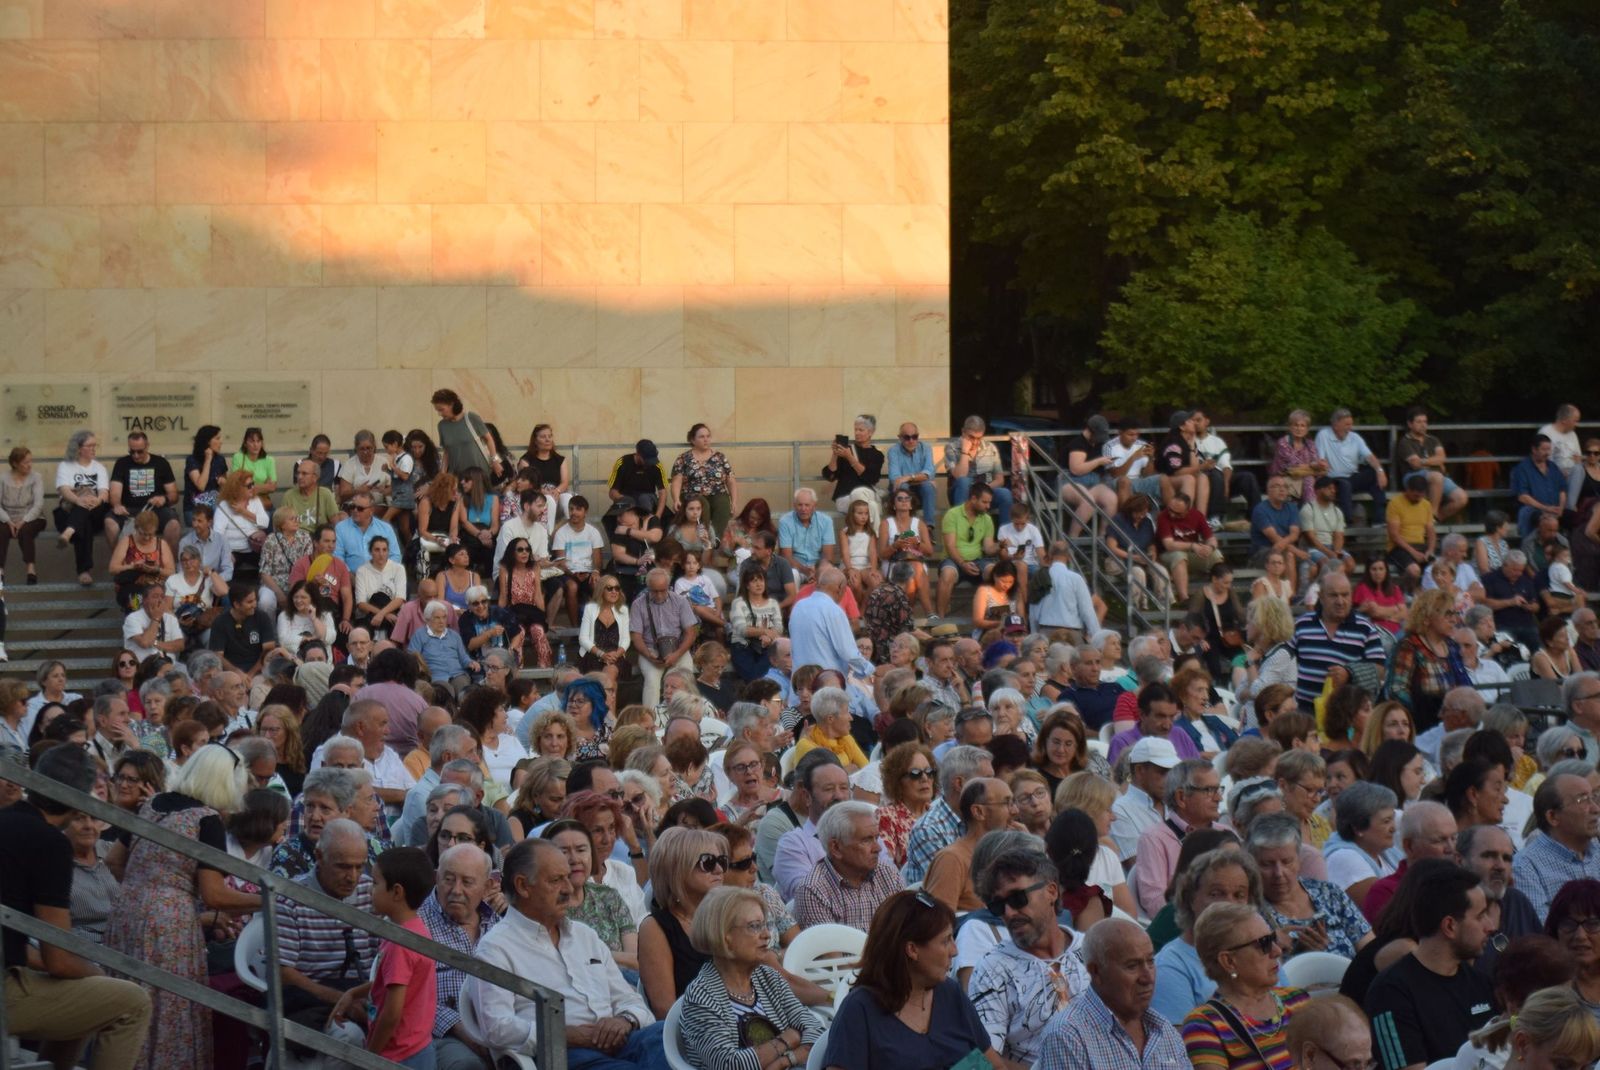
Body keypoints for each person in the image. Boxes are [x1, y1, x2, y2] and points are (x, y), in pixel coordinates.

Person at [2, 744, 154, 1067]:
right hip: (7, 989)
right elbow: (58, 959)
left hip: (12, 972)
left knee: (85, 994)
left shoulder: (6, 820)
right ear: (82, 795)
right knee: (132, 1001)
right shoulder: (50, 842)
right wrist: (97, 974)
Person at [468, 837, 665, 1068]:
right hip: (559, 1052)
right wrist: (566, 1034)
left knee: (672, 1036)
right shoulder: (496, 948)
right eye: (556, 880)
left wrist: (625, 1020)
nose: (569, 889)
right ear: (523, 886)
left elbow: (629, 999)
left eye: (567, 878)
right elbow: (497, 1028)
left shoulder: (585, 936)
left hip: (617, 1042)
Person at [820, 889, 1001, 1070]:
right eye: (945, 941)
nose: (955, 951)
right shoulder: (860, 1009)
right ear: (912, 950)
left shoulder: (949, 993)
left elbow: (995, 1066)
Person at [1364, 863, 1497, 1070]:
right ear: (1450, 926)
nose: (1490, 926)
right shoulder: (1390, 993)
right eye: (1480, 916)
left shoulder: (1480, 982)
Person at [967, 845, 1091, 1067]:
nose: (1009, 913)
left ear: (1051, 891)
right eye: (998, 905)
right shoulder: (993, 969)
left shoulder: (1093, 951)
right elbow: (984, 1060)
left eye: (1017, 898)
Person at [678, 885, 825, 1070]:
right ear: (725, 937)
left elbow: (815, 1029)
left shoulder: (768, 977)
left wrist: (784, 1061)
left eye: (766, 925)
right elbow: (729, 1065)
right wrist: (786, 1040)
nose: (766, 935)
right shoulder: (701, 998)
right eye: (755, 926)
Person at [329, 847, 438, 1069]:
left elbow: (391, 1013)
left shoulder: (400, 944)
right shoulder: (415, 930)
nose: (370, 890)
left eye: (376, 883)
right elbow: (391, 982)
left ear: (397, 892)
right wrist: (353, 993)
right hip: (419, 1048)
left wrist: (370, 1056)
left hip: (399, 1056)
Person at [1034, 917, 1189, 1070]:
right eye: (1132, 966)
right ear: (1096, 972)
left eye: (1150, 962)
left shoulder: (1163, 1029)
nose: (1148, 977)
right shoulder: (1067, 1036)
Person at [275, 818, 382, 1040]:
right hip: (312, 1000)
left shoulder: (371, 891)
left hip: (365, 994)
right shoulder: (291, 897)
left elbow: (383, 956)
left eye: (359, 866)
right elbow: (283, 972)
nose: (352, 876)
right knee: (349, 1038)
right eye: (343, 866)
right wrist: (343, 999)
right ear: (319, 857)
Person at [1180, 900, 1311, 1070]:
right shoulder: (1205, 1025)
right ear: (1229, 961)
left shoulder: (1297, 1001)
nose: (1277, 951)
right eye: (1263, 944)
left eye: (1273, 939)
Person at [1247, 813, 1373, 959]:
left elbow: (1369, 948)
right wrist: (1300, 956)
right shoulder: (1251, 912)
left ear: (1299, 859)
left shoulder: (1329, 893)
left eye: (1287, 862)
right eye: (1267, 864)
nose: (1279, 873)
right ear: (1253, 864)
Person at [1289, 572, 1386, 705]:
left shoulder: (1366, 628)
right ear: (1321, 597)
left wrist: (1349, 673)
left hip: (1346, 714)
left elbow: (1380, 670)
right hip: (1305, 714)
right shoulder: (1301, 625)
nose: (1340, 601)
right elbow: (1285, 660)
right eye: (1333, 595)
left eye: (1345, 595)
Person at [1513, 772, 1600, 921]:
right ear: (1553, 817)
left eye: (1594, 797)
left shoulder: (1597, 852)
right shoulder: (1526, 867)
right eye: (1582, 800)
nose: (1595, 809)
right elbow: (1542, 934)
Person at [54, 429, 117, 585]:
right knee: (84, 522)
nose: (94, 449)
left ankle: (69, 533)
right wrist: (78, 500)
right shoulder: (65, 466)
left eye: (95, 445)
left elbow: (104, 493)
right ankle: (85, 572)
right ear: (79, 448)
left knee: (87, 510)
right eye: (90, 446)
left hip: (96, 511)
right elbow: (63, 490)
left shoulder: (99, 467)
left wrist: (97, 500)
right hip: (69, 511)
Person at [631, 567, 699, 708]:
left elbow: (691, 632)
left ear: (668, 586)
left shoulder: (680, 601)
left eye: (663, 590)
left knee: (686, 677)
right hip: (650, 649)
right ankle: (651, 720)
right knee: (652, 680)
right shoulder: (638, 604)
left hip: (677, 648)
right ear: (648, 587)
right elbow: (636, 636)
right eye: (655, 591)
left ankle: (687, 713)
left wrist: (677, 654)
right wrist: (649, 656)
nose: (660, 594)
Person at [790, 569, 874, 681]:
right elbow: (847, 651)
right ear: (839, 588)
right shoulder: (834, 611)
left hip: (799, 682)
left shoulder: (799, 607)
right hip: (825, 683)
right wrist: (870, 670)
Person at [1393, 407, 1468, 522]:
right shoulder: (1405, 442)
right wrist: (1434, 462)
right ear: (1410, 424)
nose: (1423, 425)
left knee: (1461, 498)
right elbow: (1415, 464)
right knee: (1436, 476)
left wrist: (1424, 461)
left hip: (1437, 475)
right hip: (1413, 475)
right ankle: (1431, 516)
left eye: (1425, 422)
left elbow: (1442, 458)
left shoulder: (1433, 439)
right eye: (1419, 422)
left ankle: (1435, 518)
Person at [1316, 408, 1389, 523]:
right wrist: (1321, 464)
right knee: (1345, 485)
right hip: (1334, 479)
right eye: (1346, 424)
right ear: (1335, 425)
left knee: (1374, 475)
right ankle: (1348, 523)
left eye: (1351, 424)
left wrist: (1380, 471)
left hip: (1352, 477)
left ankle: (1380, 520)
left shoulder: (1355, 437)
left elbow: (1370, 456)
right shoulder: (1323, 435)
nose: (1350, 428)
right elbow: (1320, 459)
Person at [1511, 434, 1567, 537]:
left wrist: (1561, 509)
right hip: (1534, 513)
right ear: (1534, 449)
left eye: (1549, 449)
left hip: (1555, 511)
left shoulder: (1553, 467)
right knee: (1530, 514)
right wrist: (1545, 508)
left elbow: (1562, 490)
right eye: (1544, 449)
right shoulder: (1522, 469)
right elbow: (1523, 497)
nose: (1548, 453)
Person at [887, 420, 939, 522]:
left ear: (918, 436)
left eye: (914, 437)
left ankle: (929, 527)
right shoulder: (893, 451)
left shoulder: (926, 448)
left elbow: (929, 473)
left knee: (928, 486)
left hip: (920, 491)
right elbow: (895, 479)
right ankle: (906, 526)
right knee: (903, 487)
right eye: (907, 437)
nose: (911, 440)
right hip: (902, 491)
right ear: (900, 438)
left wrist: (908, 477)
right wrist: (921, 478)